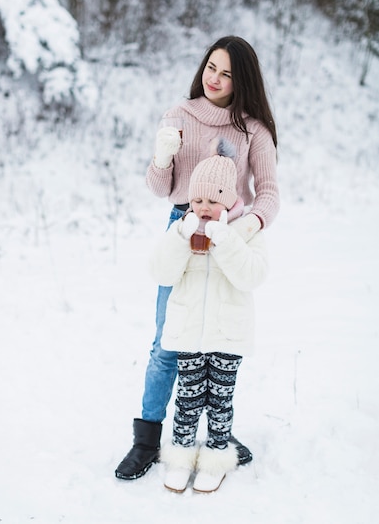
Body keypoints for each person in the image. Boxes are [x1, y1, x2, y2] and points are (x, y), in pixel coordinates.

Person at [115, 35, 279, 481]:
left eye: (227, 73)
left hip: (230, 232)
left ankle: (217, 437)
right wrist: (161, 156)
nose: (215, 79)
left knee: (219, 339)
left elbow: (268, 194)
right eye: (211, 67)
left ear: (241, 80)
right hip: (181, 226)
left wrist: (244, 230)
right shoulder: (178, 116)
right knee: (169, 341)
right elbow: (158, 185)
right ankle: (147, 440)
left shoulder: (254, 130)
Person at [152, 139, 269, 493]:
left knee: (220, 400)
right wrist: (179, 237)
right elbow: (161, 273)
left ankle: (216, 457)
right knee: (188, 398)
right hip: (189, 331)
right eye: (197, 200)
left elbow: (252, 275)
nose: (203, 208)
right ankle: (181, 455)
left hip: (227, 333)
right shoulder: (184, 230)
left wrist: (225, 238)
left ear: (229, 199)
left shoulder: (247, 229)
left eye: (212, 200)